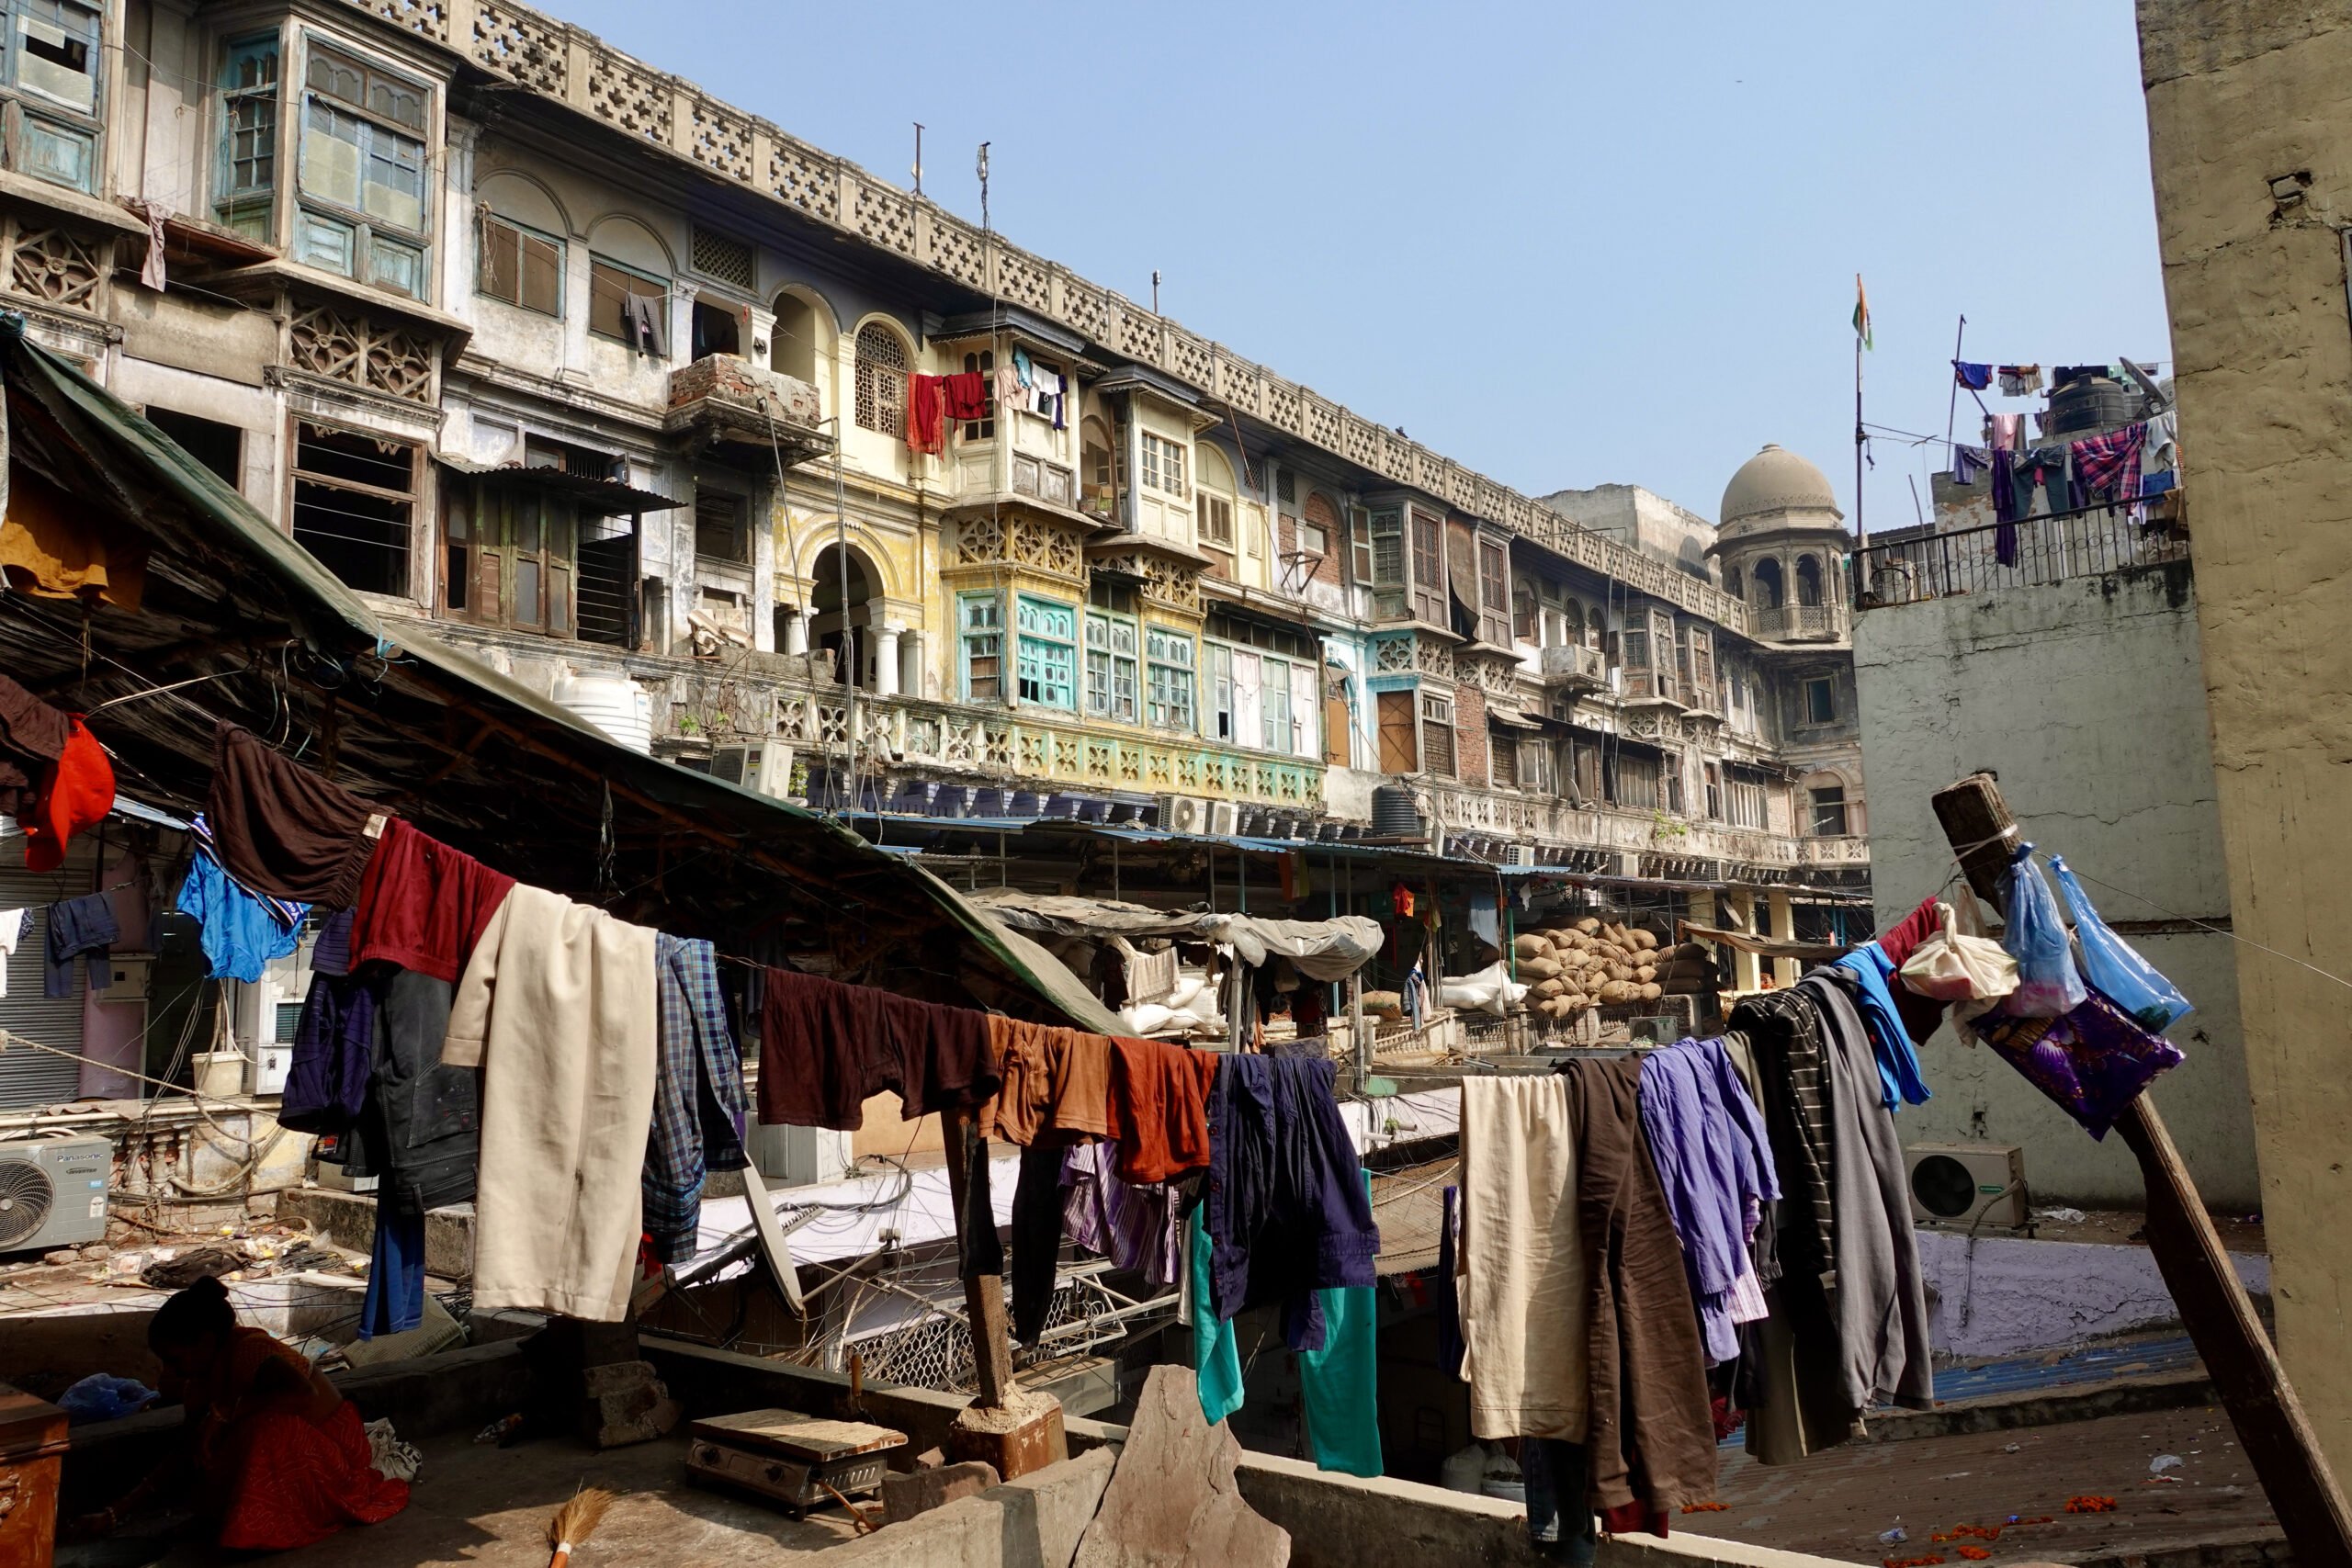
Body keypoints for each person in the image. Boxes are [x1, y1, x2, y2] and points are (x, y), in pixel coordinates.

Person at [75, 1276, 410, 1551]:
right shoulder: (199, 1384)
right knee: (212, 1444)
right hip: (303, 1457)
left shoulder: (250, 1351)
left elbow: (301, 1393)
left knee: (265, 1430)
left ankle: (262, 1528)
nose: (170, 1370)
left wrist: (224, 1412)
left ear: (205, 1343)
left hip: (336, 1454)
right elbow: (184, 1449)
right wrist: (115, 1511)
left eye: (175, 1359)